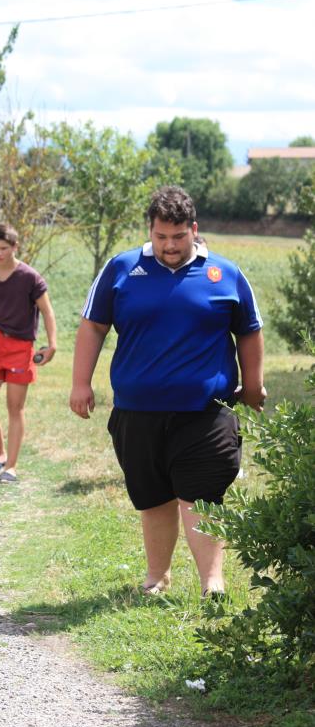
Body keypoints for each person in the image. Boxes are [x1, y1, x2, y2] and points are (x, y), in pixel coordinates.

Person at [69, 186, 266, 597]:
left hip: (205, 411)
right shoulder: (121, 269)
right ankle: (157, 577)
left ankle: (213, 583)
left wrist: (254, 383)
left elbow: (249, 331)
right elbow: (93, 326)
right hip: (137, 411)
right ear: (150, 230)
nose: (170, 246)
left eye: (178, 237)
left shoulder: (224, 274)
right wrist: (80, 382)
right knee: (153, 495)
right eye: (161, 237)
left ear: (193, 230)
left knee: (203, 493)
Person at [0, 223, 56, 483]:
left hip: (20, 348)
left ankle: (12, 467)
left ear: (15, 247)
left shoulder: (30, 277)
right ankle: (0, 454)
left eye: (4, 248)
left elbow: (48, 311)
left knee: (14, 408)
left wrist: (52, 344)